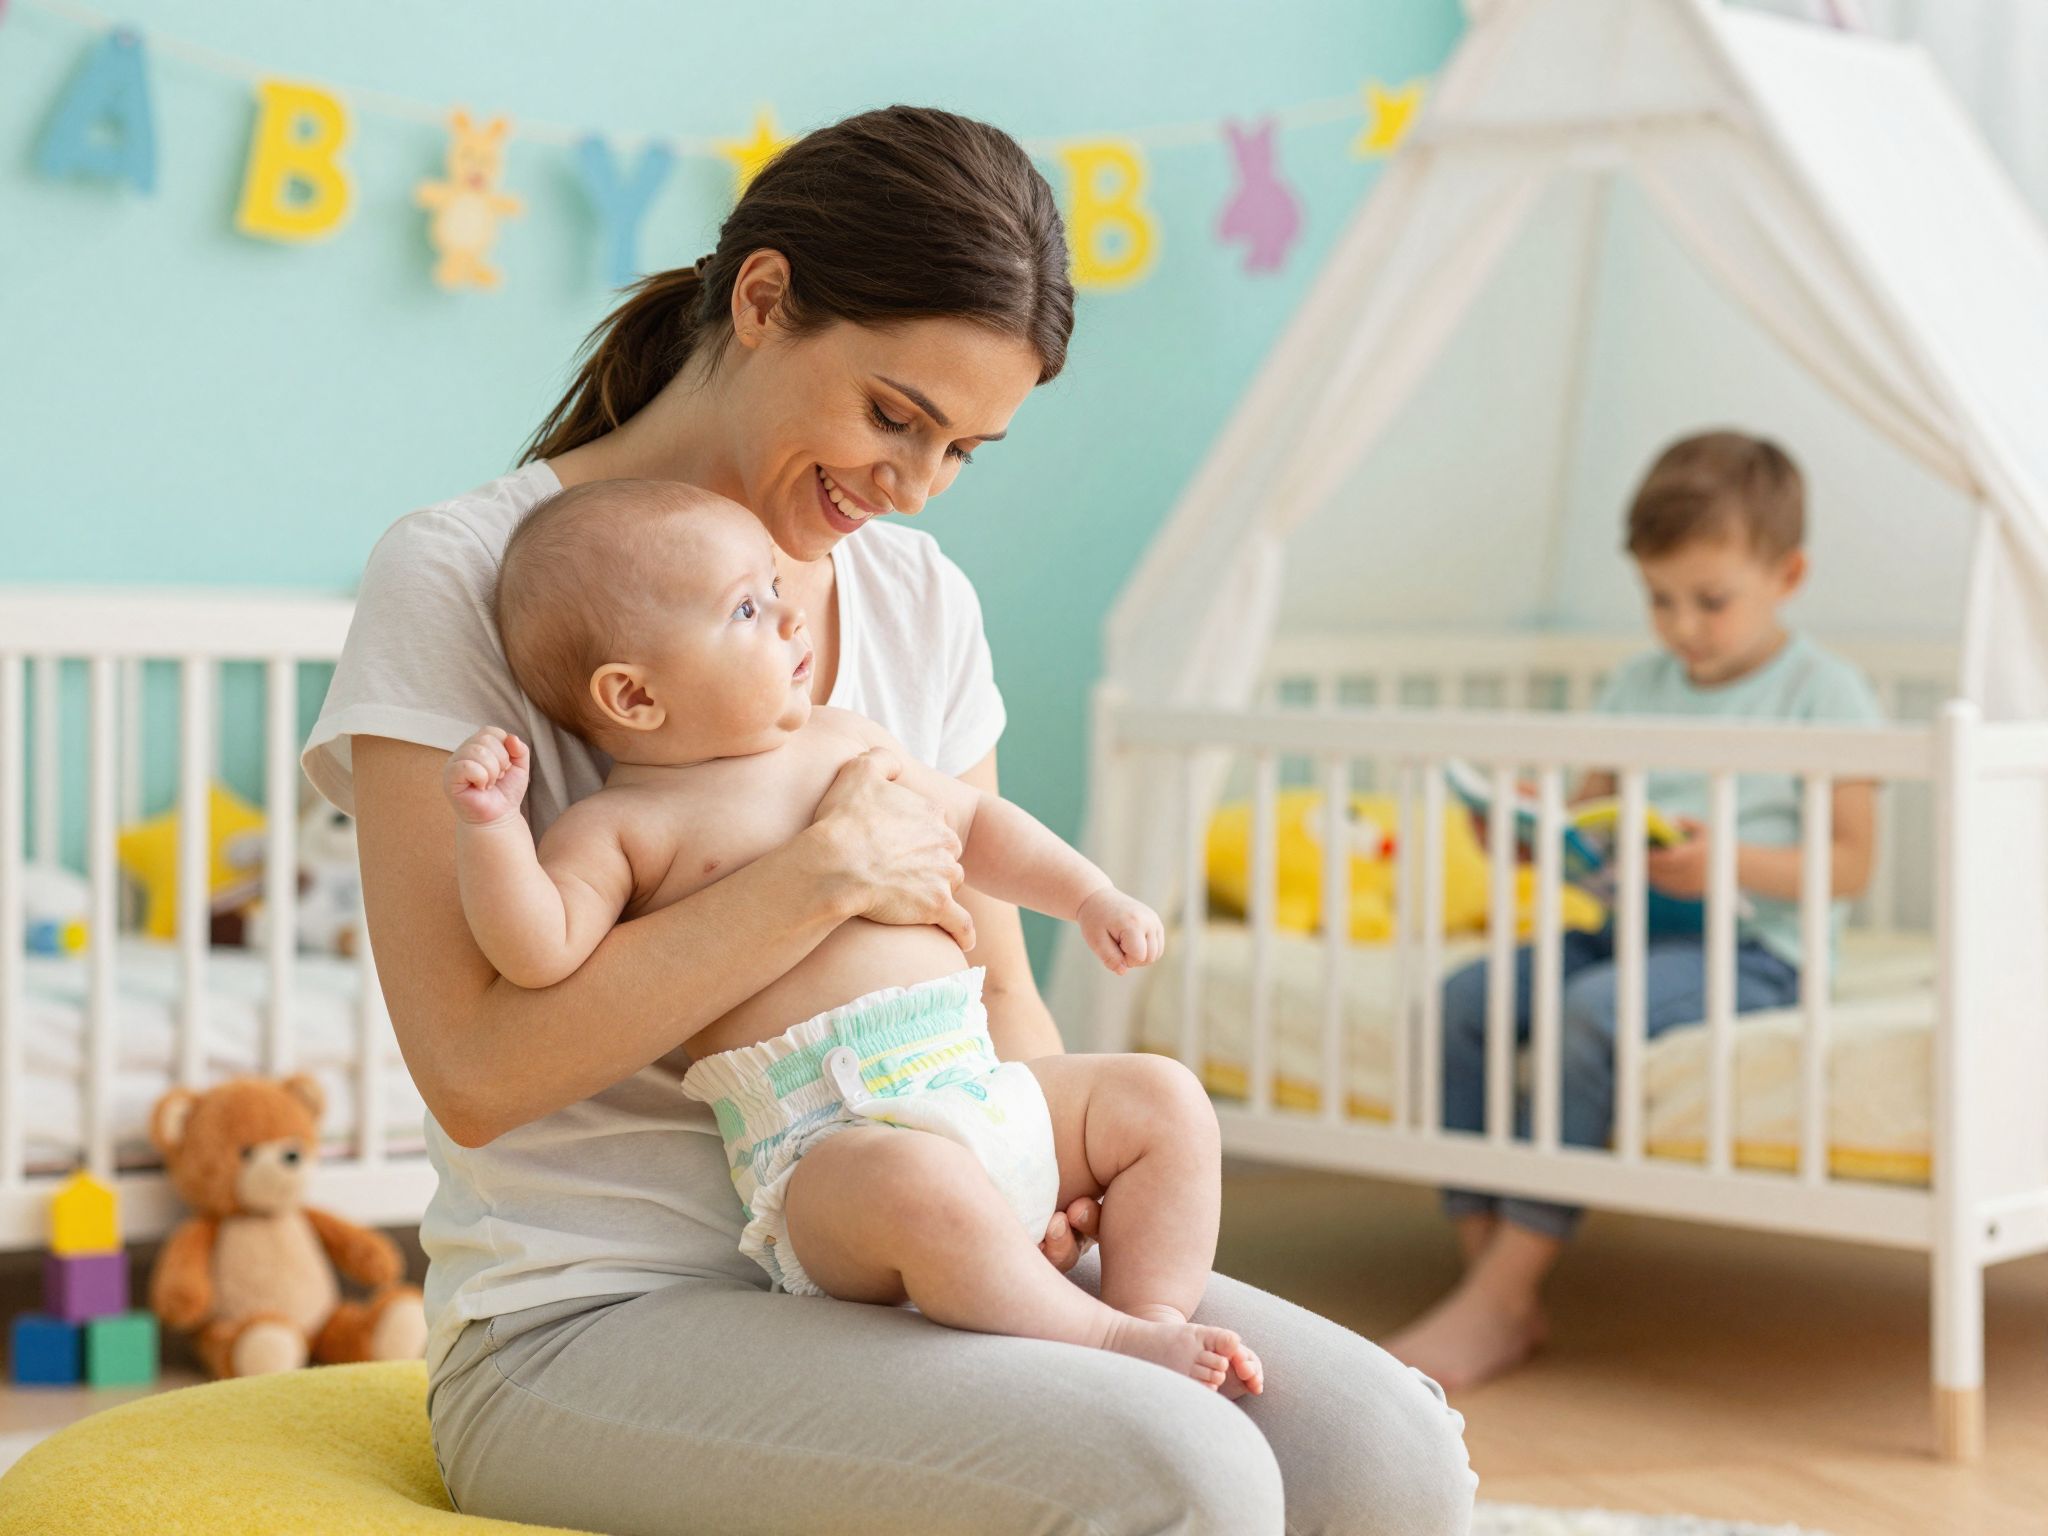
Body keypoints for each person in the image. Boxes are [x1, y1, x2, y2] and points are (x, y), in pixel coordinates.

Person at [305, 104, 1476, 1535]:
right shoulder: (466, 578)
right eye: (893, 416)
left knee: (1391, 1461)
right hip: (599, 1316)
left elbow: (1003, 990)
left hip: (945, 1226)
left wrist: (1046, 1205)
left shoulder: (920, 603)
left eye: (962, 452)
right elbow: (475, 1072)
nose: (911, 487)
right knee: (1188, 1468)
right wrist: (816, 877)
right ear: (761, 300)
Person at [444, 479, 1260, 1391]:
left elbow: (979, 826)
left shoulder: (844, 740)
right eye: (747, 608)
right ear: (632, 694)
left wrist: (1089, 895)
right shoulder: (622, 827)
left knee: (1163, 1098)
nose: (792, 619)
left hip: (976, 1084)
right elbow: (541, 949)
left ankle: (1148, 1315)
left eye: (777, 591)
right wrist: (492, 834)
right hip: (831, 1147)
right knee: (922, 1190)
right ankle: (1103, 1345)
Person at [1386, 431, 1883, 1392]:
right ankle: (1492, 1276)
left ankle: (1499, 1296)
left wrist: (1729, 861)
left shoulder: (1828, 693)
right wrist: (1531, 837)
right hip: (1622, 927)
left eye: (1711, 600)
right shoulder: (1634, 685)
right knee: (1462, 998)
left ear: (1788, 575)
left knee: (1591, 1014)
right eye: (1660, 600)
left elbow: (1853, 863)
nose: (1683, 627)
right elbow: (1590, 821)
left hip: (1751, 947)